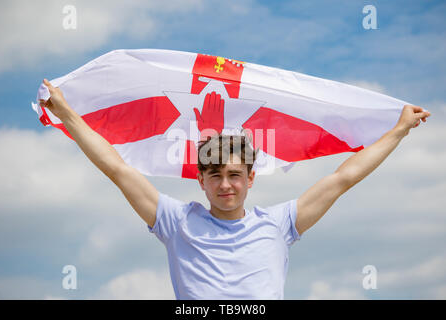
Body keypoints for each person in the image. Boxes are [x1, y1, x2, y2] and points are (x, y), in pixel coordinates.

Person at [40, 78, 431, 299]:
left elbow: (343, 178)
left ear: (250, 178)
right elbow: (115, 167)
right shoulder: (176, 221)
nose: (225, 185)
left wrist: (397, 131)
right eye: (214, 176)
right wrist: (67, 114)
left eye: (234, 175)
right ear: (201, 180)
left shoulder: (279, 224)